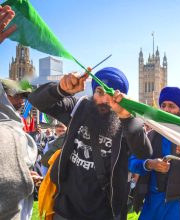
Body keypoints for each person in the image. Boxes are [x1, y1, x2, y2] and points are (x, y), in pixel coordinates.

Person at [28, 67, 152, 219]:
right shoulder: (78, 108)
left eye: (111, 94)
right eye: (100, 92)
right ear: (93, 92)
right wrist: (61, 89)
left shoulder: (127, 120)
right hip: (65, 209)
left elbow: (144, 153)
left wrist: (127, 119)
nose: (105, 100)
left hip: (105, 212)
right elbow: (35, 100)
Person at [130, 86, 180, 220]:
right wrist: (149, 164)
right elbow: (132, 162)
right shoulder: (151, 135)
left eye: (171, 106)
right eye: (163, 105)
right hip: (152, 203)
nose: (166, 110)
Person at [0, 78, 38, 219]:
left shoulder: (14, 124)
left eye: (23, 97)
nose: (21, 102)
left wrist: (24, 174)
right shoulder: (5, 129)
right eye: (16, 96)